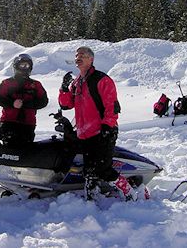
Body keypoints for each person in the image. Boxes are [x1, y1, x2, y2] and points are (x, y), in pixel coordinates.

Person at [58, 46, 148, 201]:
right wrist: (64, 88)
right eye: (77, 55)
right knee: (89, 170)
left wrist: (107, 128)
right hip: (84, 133)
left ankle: (128, 191)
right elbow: (66, 105)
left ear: (91, 59)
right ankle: (91, 197)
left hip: (103, 131)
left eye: (83, 55)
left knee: (102, 168)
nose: (78, 58)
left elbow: (111, 106)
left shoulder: (101, 79)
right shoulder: (77, 82)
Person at [0, 54, 48, 147]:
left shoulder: (36, 85)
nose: (24, 68)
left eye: (27, 65)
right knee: (4, 147)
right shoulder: (7, 83)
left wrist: (28, 104)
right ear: (16, 66)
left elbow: (43, 101)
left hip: (28, 124)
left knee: (25, 149)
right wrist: (12, 103)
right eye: (22, 65)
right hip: (8, 122)